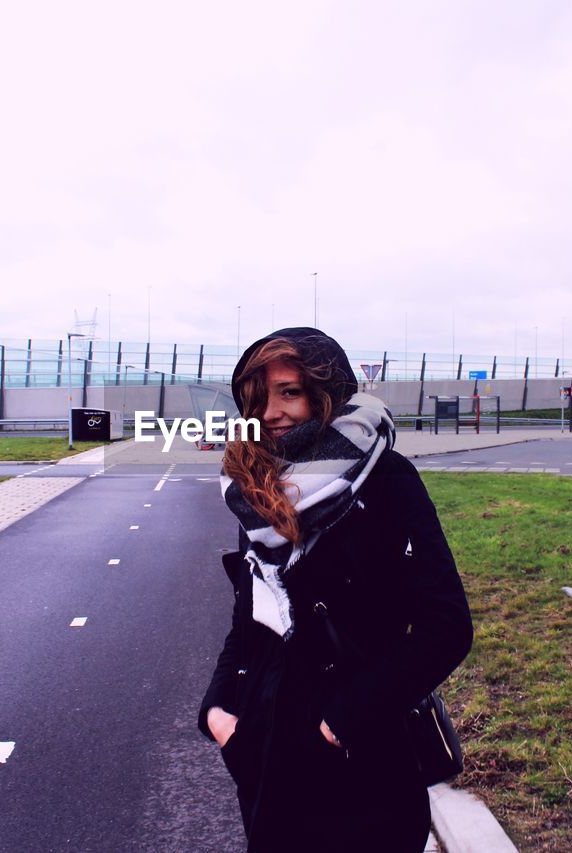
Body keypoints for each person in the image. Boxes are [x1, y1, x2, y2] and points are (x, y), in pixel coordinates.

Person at [199, 327, 473, 852]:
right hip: (267, 752)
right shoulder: (256, 491)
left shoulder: (387, 479)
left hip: (360, 755)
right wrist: (219, 713)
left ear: (327, 393)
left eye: (289, 392)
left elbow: (446, 626)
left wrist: (343, 722)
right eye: (258, 398)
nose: (270, 412)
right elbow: (248, 620)